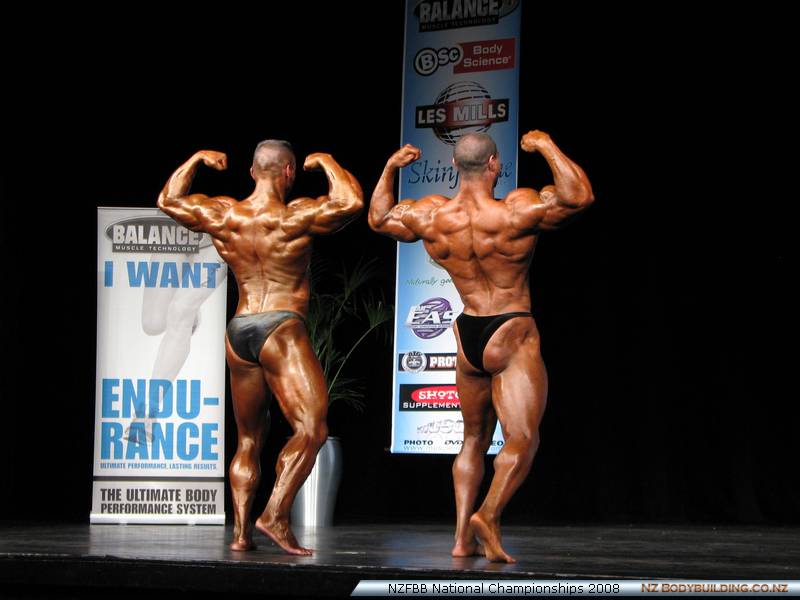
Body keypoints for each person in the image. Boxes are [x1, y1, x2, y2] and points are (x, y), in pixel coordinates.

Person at [368, 130, 594, 563]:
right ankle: (487, 515)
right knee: (522, 437)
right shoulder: (515, 210)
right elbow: (578, 196)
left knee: (472, 439)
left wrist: (391, 168)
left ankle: (460, 539)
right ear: (494, 164)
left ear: (454, 165)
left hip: (467, 334)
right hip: (511, 331)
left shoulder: (432, 214)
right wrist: (546, 145)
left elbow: (379, 219)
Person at [158, 140, 363, 555]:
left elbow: (168, 200)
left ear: (252, 172)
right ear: (288, 172)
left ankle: (240, 534)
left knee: (249, 439)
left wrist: (196, 159)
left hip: (239, 331)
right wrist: (326, 160)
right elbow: (351, 202)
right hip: (280, 328)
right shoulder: (294, 216)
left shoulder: (225, 214)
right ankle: (275, 515)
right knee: (312, 428)